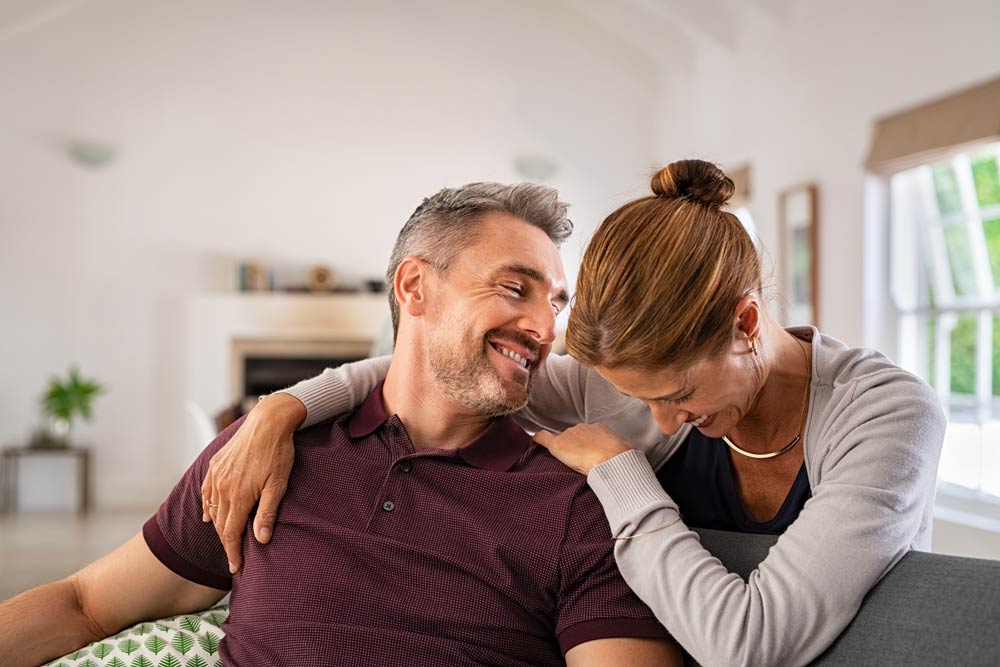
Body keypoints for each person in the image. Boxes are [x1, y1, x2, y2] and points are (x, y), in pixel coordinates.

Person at [203, 160, 947, 667]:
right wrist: (283, 407)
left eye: (678, 394)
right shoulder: (613, 389)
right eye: (641, 396)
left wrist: (621, 473)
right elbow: (435, 368)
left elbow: (748, 642)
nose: (659, 421)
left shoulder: (885, 416)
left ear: (747, 323)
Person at [0, 182, 679, 667]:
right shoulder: (264, 457)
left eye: (555, 300)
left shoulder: (575, 503)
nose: (544, 326)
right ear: (414, 287)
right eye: (514, 287)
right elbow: (87, 603)